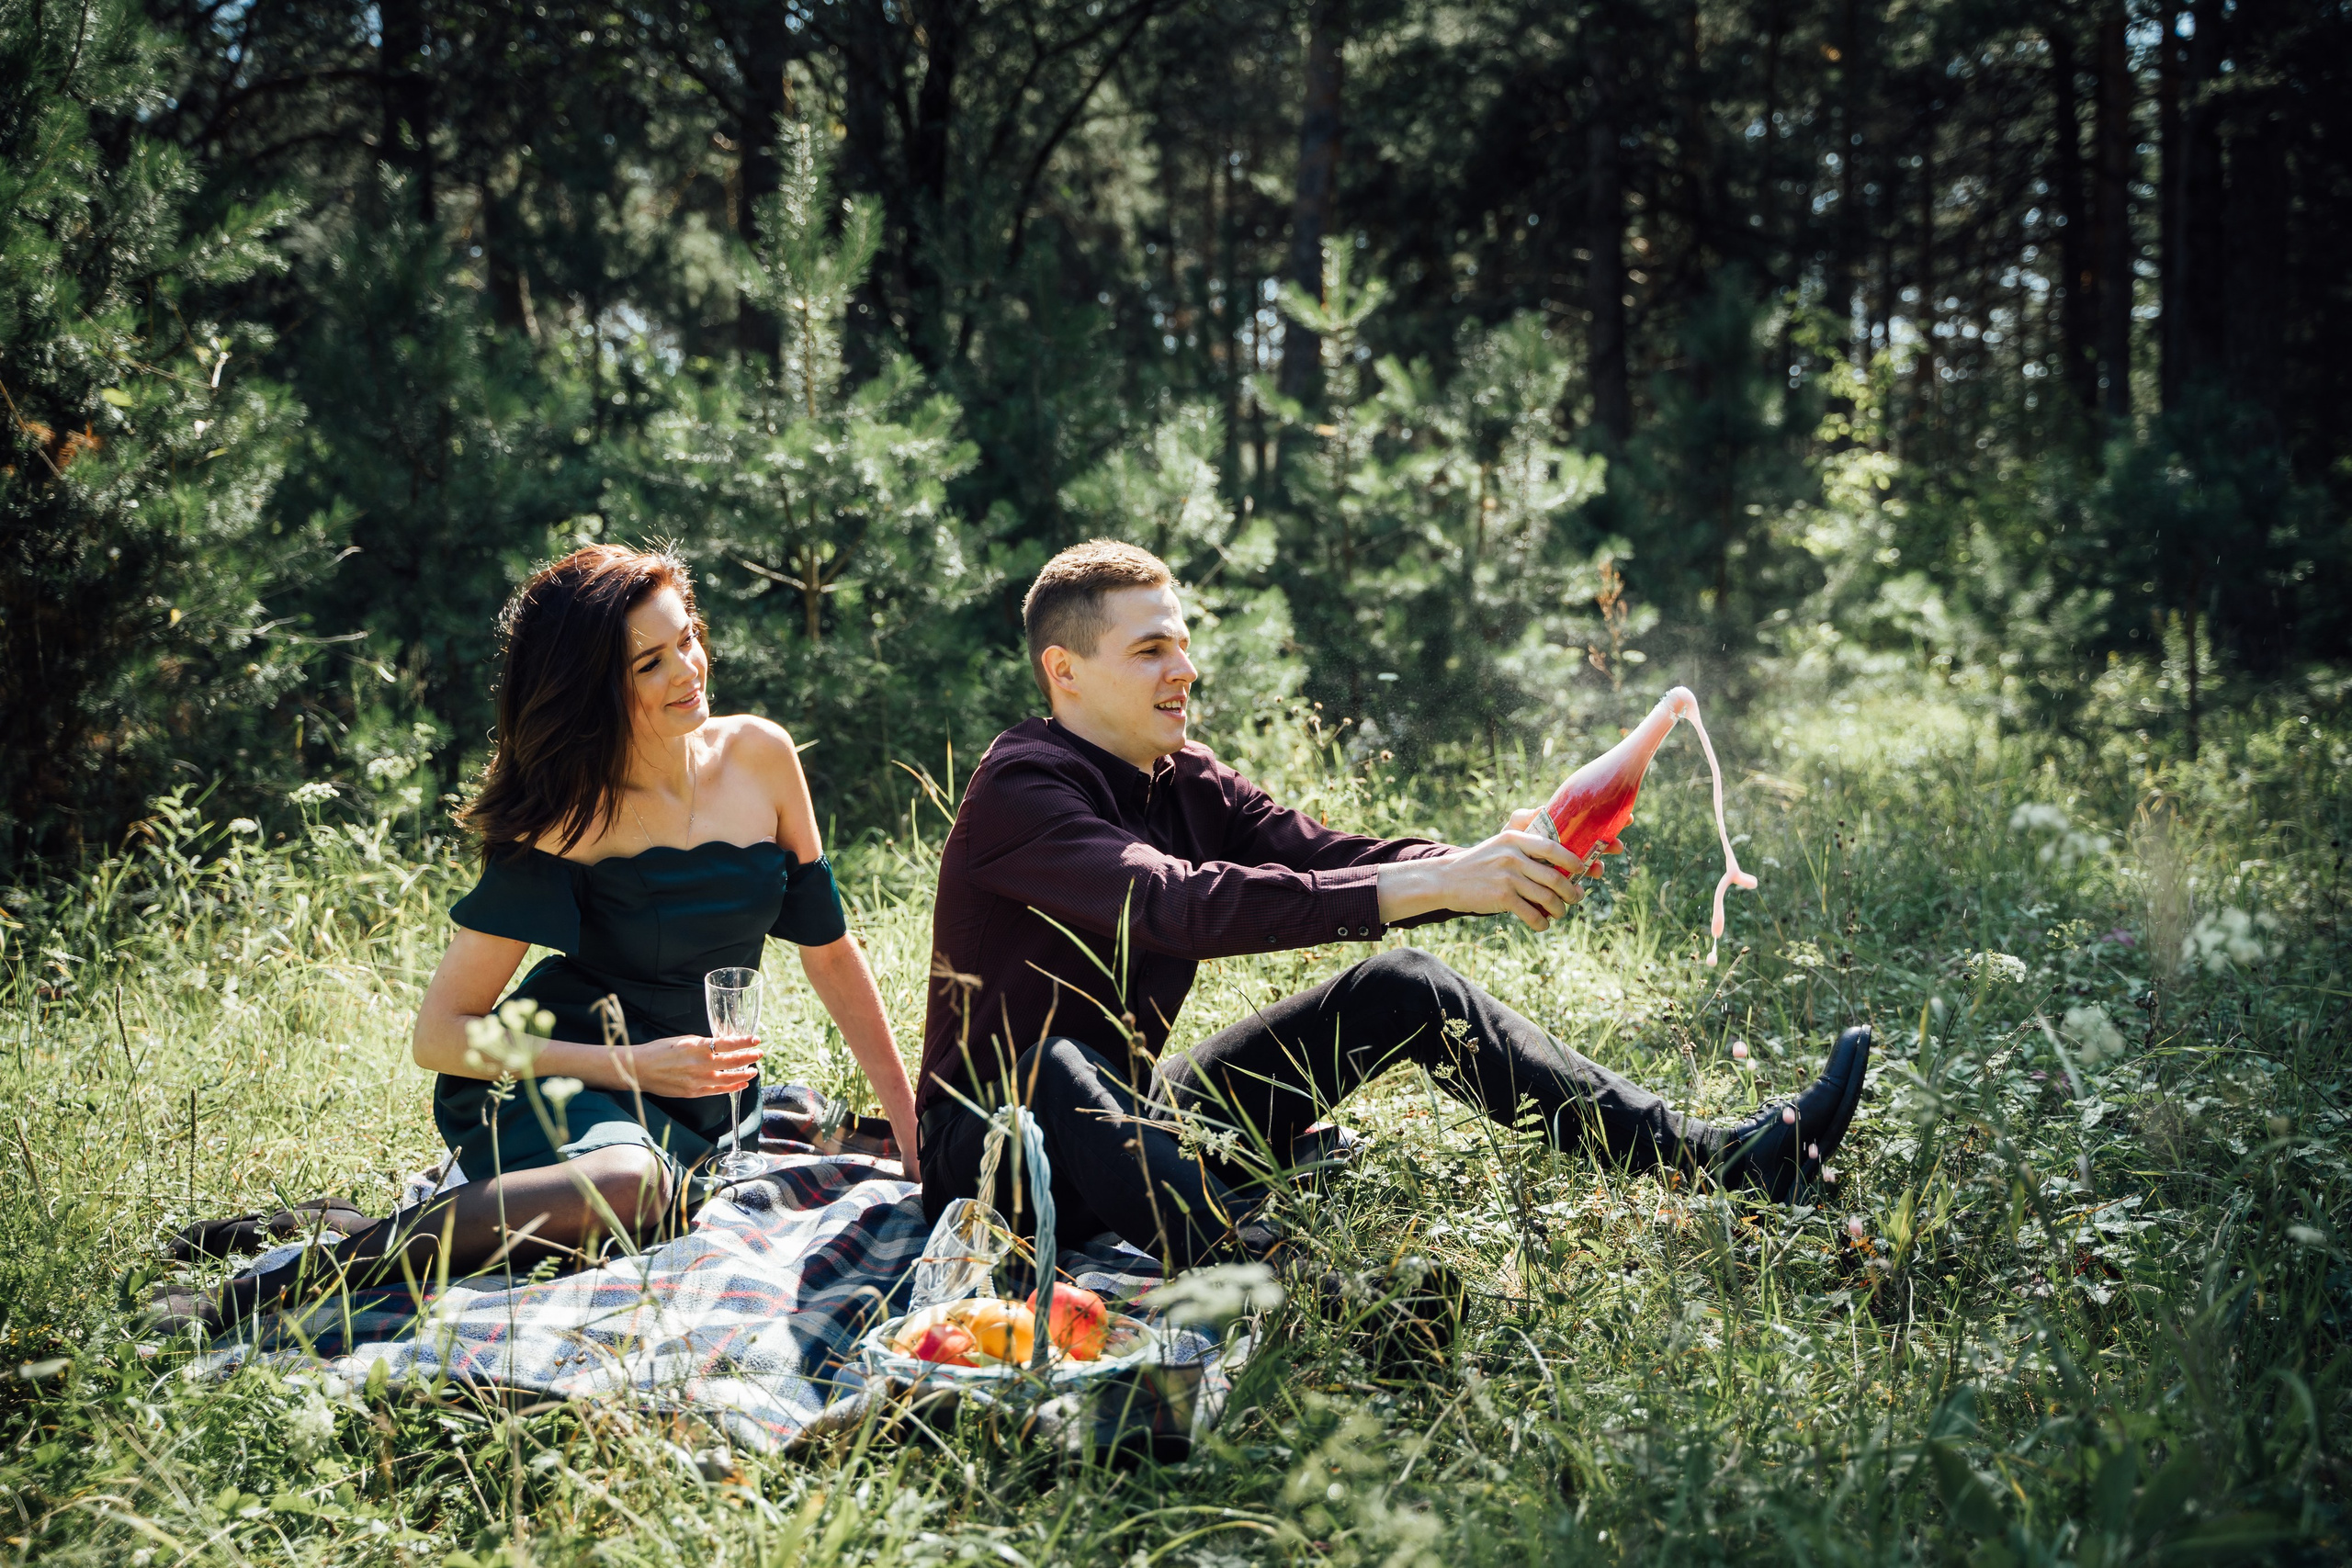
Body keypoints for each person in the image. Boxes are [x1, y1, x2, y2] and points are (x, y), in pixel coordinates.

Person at [917, 540, 1869, 1269]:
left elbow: (1328, 857)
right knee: (1054, 1066)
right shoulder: (1020, 788)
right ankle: (1289, 1287)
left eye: (1185, 645)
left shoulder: (1187, 778)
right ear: (1065, 670)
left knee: (1402, 983)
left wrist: (1483, 863)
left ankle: (1721, 1159)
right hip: (991, 1161)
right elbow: (1179, 905)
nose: (1185, 670)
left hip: (1134, 1124)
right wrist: (1441, 881)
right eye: (1150, 649)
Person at [152, 545, 917, 1334]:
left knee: (639, 1202)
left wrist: (909, 1123)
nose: (687, 670)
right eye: (649, 663)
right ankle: (278, 1284)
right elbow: (440, 1035)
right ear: (596, 687)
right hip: (569, 1073)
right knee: (631, 1185)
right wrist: (633, 1065)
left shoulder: (762, 755)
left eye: (687, 638)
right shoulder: (565, 815)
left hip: (705, 1095)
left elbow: (830, 950)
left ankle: (347, 1223)